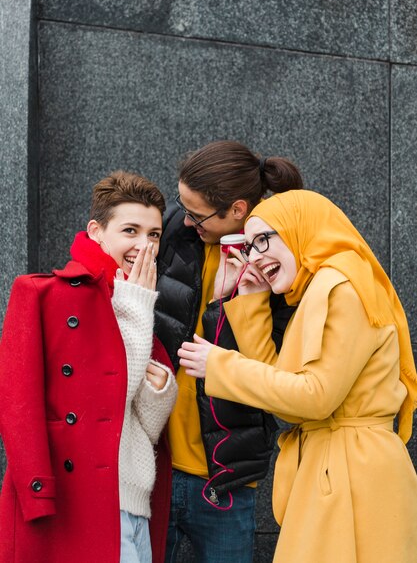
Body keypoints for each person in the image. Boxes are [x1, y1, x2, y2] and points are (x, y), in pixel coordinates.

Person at [178, 189, 417, 563]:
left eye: (263, 240)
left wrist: (220, 365)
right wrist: (253, 304)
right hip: (339, 466)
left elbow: (314, 398)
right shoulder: (325, 287)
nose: (255, 256)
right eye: (250, 245)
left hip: (350, 473)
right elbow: (285, 390)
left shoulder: (340, 286)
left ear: (299, 229)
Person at [0, 170, 177, 563]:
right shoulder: (41, 294)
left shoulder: (140, 303)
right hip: (71, 504)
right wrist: (37, 493)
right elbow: (18, 406)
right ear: (96, 231)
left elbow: (143, 426)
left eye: (154, 234)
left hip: (134, 506)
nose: (144, 246)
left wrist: (162, 389)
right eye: (130, 230)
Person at [154, 140, 303, 563]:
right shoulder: (172, 233)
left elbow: (276, 372)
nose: (185, 220)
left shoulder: (279, 262)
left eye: (197, 214)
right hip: (155, 466)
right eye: (182, 207)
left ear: (238, 209)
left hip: (227, 478)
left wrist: (241, 299)